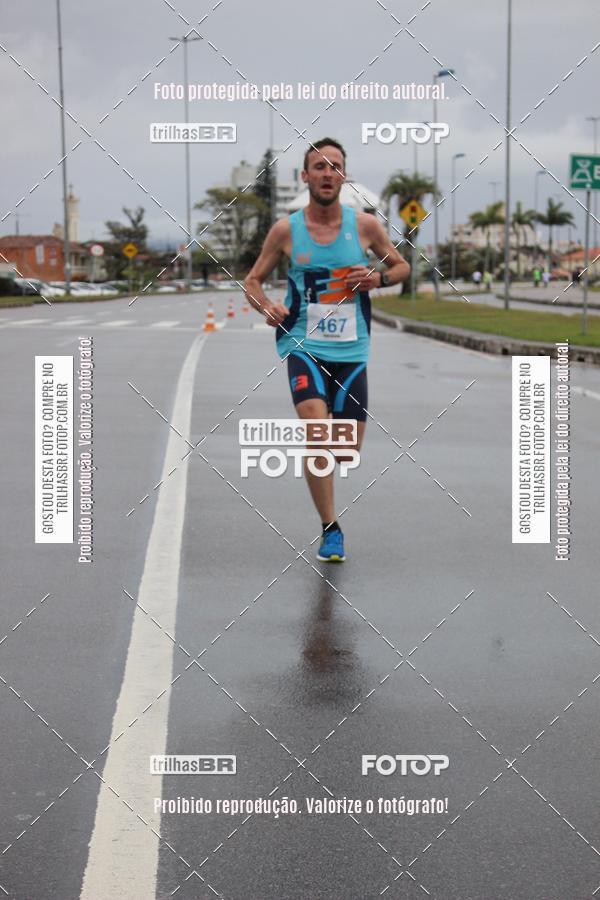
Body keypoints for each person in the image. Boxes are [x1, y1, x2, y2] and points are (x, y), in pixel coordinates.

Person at [244, 138, 410, 562]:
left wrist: (378, 279)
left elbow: (402, 266)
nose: (326, 173)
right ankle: (330, 527)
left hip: (352, 350)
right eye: (318, 166)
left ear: (344, 176)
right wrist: (269, 307)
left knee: (346, 450)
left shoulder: (366, 226)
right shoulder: (286, 230)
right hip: (302, 343)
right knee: (317, 431)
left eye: (334, 166)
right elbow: (253, 281)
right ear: (305, 176)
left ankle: (328, 484)